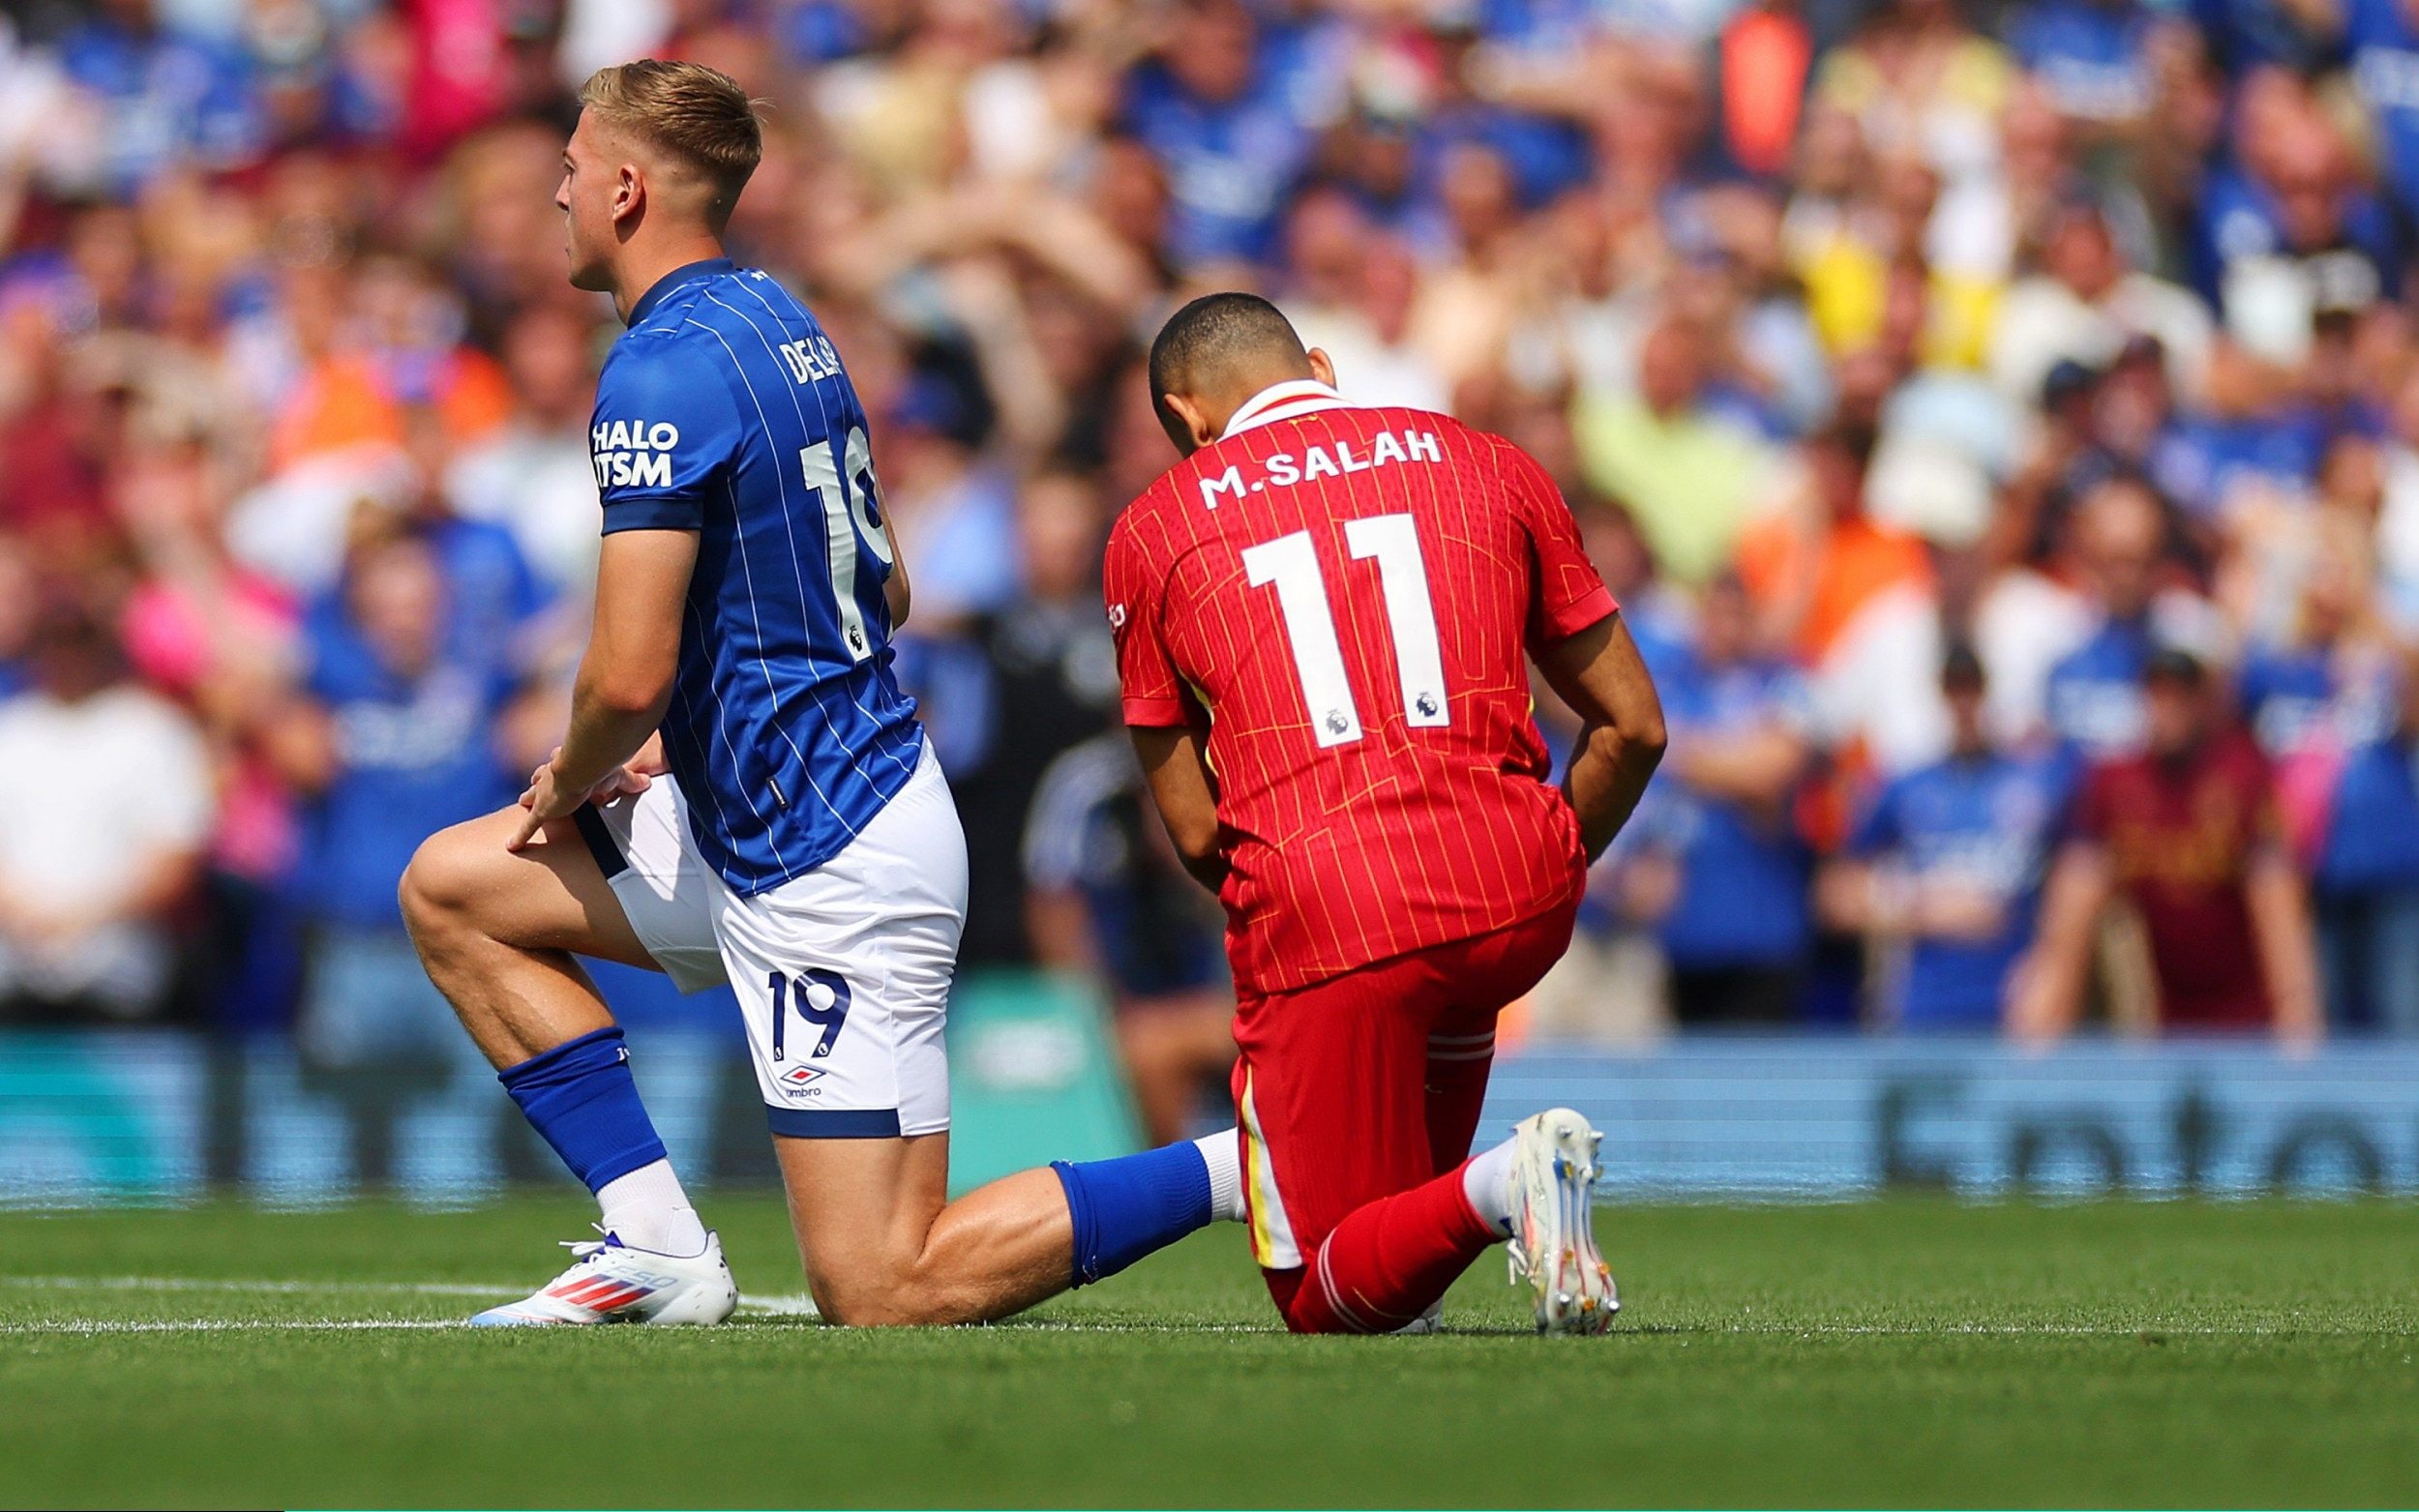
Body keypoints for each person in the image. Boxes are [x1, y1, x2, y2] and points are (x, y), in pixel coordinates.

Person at [399, 61, 1242, 1328]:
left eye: (570, 169)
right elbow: (884, 583)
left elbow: (628, 672)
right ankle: (655, 1244)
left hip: (825, 855)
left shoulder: (660, 370)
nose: (557, 193)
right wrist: (708, 736)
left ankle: (1253, 1164)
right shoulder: (784, 323)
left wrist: (573, 775)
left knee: (885, 1283)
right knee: (455, 888)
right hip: (778, 810)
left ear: (627, 189)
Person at [1106, 292, 1666, 1335]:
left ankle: (1512, 1181)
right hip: (1516, 887)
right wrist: (1543, 855)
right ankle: (1478, 1217)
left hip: (1335, 912)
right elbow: (1633, 727)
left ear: (1185, 419)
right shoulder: (1486, 459)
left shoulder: (1157, 526)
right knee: (1401, 1252)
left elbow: (1192, 829)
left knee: (1321, 1295)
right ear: (1316, 366)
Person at [2012, 648, 2324, 1040]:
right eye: (2157, 696)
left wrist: (2299, 1038)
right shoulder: (2117, 784)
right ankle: (2035, 1071)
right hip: (2170, 1021)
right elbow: (2077, 889)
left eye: (2179, 696)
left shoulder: (2242, 775)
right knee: (2075, 885)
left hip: (2251, 1022)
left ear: (2202, 704)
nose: (2167, 709)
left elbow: (2278, 910)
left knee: (2271, 883)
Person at [1821, 647, 2068, 1030]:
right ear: (1942, 695)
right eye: (1955, 689)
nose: (1964, 701)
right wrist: (1921, 907)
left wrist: (2053, 962)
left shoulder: (2035, 783)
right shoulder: (1908, 787)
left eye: (1972, 688)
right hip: (1925, 1009)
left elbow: (2077, 878)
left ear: (1987, 692)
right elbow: (1835, 895)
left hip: (2013, 1009)